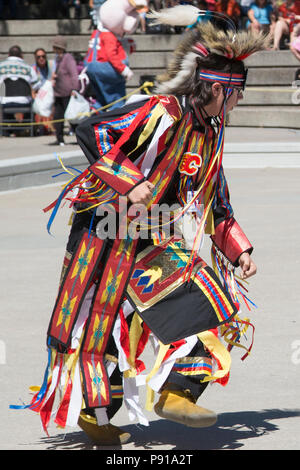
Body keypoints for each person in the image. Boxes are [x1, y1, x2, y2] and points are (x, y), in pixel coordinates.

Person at [12, 5, 267, 446]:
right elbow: (92, 130)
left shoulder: (210, 134)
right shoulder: (163, 110)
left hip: (150, 236)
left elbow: (215, 201)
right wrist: (130, 182)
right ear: (216, 89)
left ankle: (177, 392)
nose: (240, 100)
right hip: (105, 234)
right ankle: (97, 416)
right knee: (100, 326)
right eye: (236, 92)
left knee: (211, 299)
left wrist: (238, 248)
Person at [0, 45, 41, 135]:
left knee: (4, 102)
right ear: (21, 55)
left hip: (5, 101)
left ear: (8, 54)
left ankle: (6, 130)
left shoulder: (1, 66)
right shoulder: (28, 67)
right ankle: (25, 128)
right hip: (24, 100)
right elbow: (37, 84)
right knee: (31, 102)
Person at [50, 35, 79, 146]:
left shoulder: (68, 58)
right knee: (58, 116)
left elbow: (73, 74)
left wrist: (74, 89)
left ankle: (79, 137)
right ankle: (60, 138)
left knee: (72, 116)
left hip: (68, 92)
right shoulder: (57, 59)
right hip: (58, 92)